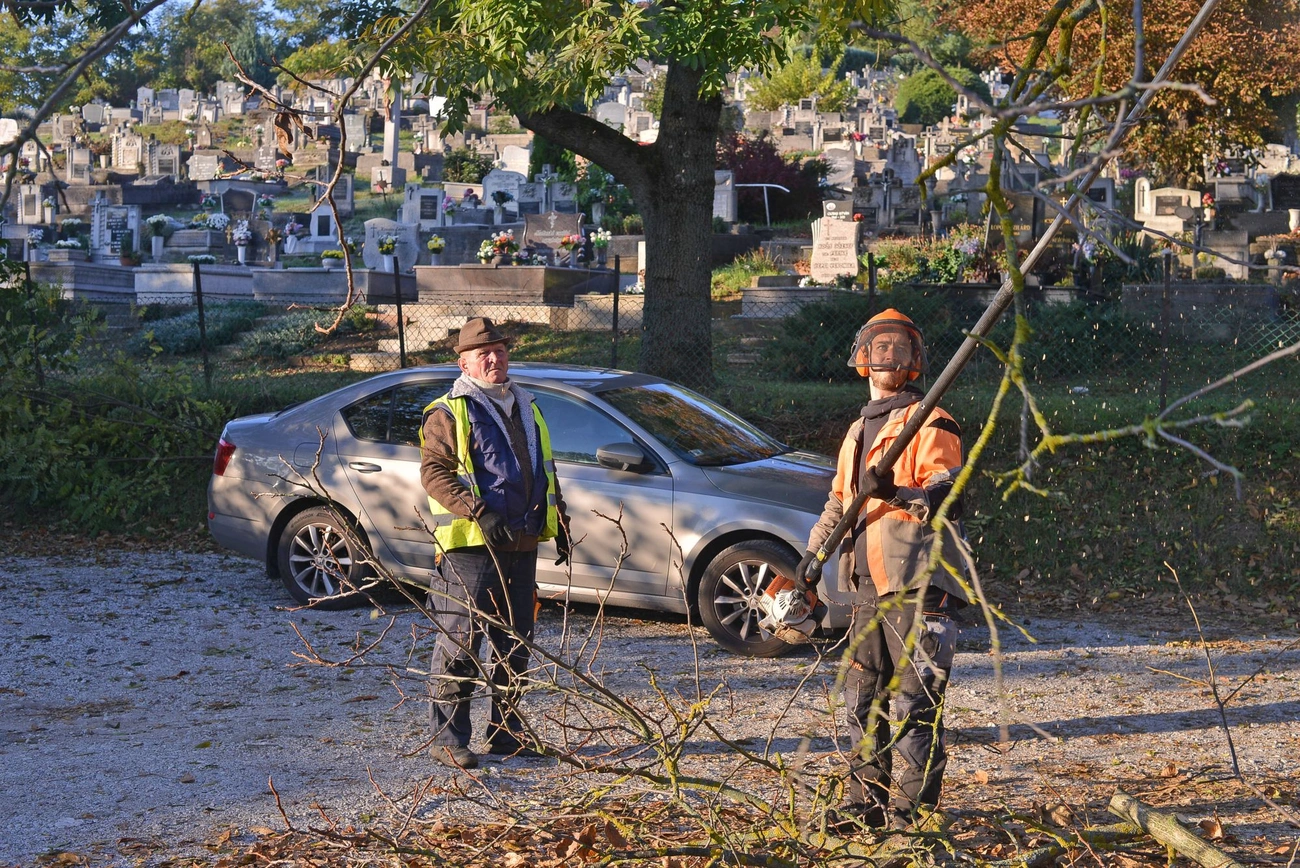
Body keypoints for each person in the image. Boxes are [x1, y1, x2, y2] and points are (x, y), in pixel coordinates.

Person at [793, 308, 970, 832]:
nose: (887, 355)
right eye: (879, 346)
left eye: (898, 347)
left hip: (920, 584)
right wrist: (812, 555)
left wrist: (896, 492)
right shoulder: (855, 432)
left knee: (914, 704)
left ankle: (909, 818)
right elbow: (837, 502)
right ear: (863, 358)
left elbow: (949, 495)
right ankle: (864, 805)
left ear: (913, 361)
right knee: (863, 701)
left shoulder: (931, 421)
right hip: (866, 587)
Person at [419, 316, 571, 769]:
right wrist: (478, 511)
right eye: (483, 353)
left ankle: (506, 733)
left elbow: (544, 472)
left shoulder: (527, 405)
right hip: (470, 549)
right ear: (463, 362)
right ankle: (447, 739)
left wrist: (558, 521)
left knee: (514, 643)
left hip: (521, 543)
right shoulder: (449, 411)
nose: (493, 358)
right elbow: (434, 474)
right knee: (460, 642)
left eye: (500, 351)